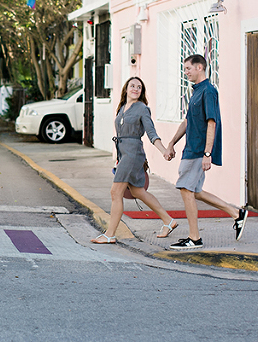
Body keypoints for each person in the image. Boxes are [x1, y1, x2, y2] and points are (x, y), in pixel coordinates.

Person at [164, 54, 247, 249]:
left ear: (199, 67)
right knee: (195, 191)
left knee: (186, 189)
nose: (186, 72)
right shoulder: (196, 91)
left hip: (198, 150)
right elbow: (187, 121)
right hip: (190, 149)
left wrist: (207, 154)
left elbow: (212, 122)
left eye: (188, 68)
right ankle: (236, 213)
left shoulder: (208, 91)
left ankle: (194, 238)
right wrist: (172, 142)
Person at [91, 77, 178, 244]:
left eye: (139, 87)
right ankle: (168, 220)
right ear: (126, 89)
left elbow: (151, 133)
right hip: (124, 154)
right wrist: (119, 158)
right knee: (138, 192)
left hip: (133, 154)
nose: (136, 89)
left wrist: (164, 151)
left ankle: (110, 234)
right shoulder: (122, 107)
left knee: (115, 192)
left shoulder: (142, 109)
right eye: (132, 86)